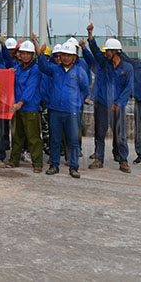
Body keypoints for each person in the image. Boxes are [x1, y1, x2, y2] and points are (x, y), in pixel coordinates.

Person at [36, 38, 89, 178]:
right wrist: (40, 55)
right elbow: (43, 68)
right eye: (63, 55)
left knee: (73, 141)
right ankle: (54, 165)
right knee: (55, 139)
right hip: (55, 110)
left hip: (72, 112)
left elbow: (85, 89)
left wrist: (77, 102)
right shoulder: (54, 70)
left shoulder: (79, 72)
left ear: (74, 57)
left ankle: (74, 166)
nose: (65, 58)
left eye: (68, 55)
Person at [86, 25, 134, 174]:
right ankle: (98, 159)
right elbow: (95, 51)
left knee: (120, 135)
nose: (105, 53)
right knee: (100, 133)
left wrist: (119, 103)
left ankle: (123, 160)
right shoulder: (104, 63)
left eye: (108, 51)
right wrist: (90, 35)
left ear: (116, 52)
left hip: (117, 107)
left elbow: (128, 88)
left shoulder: (127, 68)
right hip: (102, 104)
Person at [7, 40, 43, 173]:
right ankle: (14, 160)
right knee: (16, 136)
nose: (26, 56)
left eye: (29, 53)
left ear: (32, 55)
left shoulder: (35, 69)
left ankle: (37, 163)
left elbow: (31, 88)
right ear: (19, 55)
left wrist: (20, 103)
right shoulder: (18, 69)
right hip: (17, 107)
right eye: (23, 53)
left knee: (33, 137)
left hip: (30, 108)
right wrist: (9, 73)